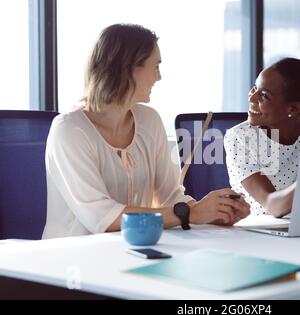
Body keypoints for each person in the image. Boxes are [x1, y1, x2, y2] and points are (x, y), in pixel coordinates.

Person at [42, 24, 250, 239]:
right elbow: (102, 218)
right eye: (156, 66)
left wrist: (215, 211)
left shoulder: (149, 120)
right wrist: (192, 214)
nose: (159, 77)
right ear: (128, 68)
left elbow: (170, 197)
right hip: (73, 258)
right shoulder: (69, 130)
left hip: (134, 249)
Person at [224, 58, 300, 218]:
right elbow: (271, 205)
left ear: (293, 108)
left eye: (264, 96)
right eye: (254, 88)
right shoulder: (239, 138)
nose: (251, 98)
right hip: (258, 232)